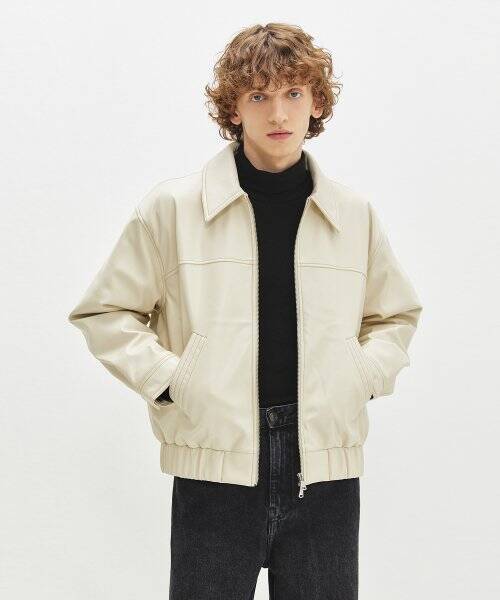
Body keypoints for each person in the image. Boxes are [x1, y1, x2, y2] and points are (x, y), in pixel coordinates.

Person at [68, 22, 423, 600]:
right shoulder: (172, 209)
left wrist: (360, 375)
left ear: (316, 102)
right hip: (215, 466)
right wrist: (173, 381)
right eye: (258, 95)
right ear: (233, 108)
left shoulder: (353, 214)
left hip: (323, 470)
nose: (277, 113)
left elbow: (394, 316)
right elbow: (105, 312)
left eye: (293, 93)